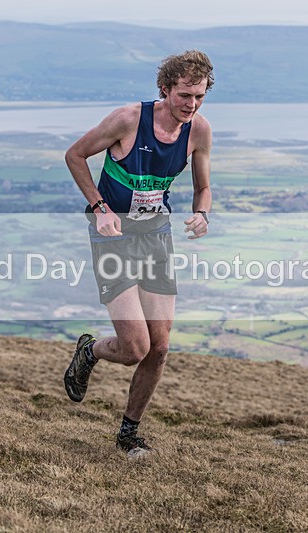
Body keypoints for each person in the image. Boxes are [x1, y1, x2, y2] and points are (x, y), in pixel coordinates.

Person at [63, 50, 214, 454]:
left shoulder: (199, 130)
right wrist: (99, 208)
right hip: (112, 237)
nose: (191, 104)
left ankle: (128, 433)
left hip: (156, 238)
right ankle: (90, 350)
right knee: (134, 348)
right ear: (164, 89)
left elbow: (203, 188)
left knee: (160, 346)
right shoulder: (128, 119)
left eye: (199, 96)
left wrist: (202, 213)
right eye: (184, 95)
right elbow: (75, 155)